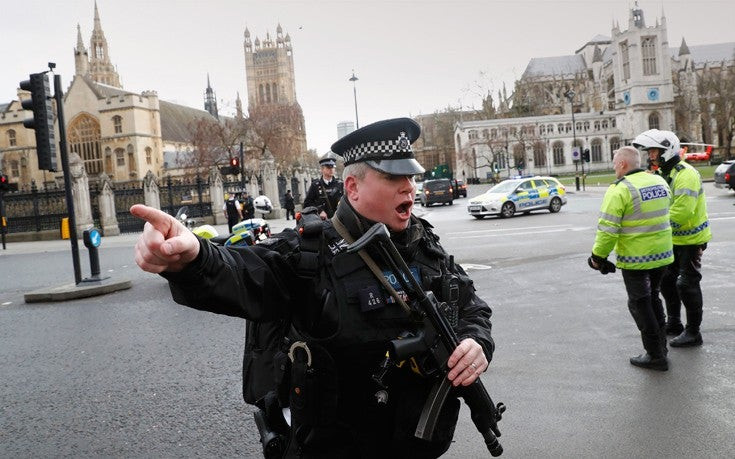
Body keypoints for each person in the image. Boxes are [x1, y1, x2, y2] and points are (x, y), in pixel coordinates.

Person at [130, 117, 494, 457]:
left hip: (414, 445)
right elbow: (245, 273)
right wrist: (193, 258)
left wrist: (475, 341)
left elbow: (471, 306)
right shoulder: (311, 253)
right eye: (392, 178)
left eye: (411, 178)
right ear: (352, 187)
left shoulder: (425, 245)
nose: (409, 187)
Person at [588, 146, 673, 371]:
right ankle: (661, 348)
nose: (615, 166)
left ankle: (655, 355)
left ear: (623, 164)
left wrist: (598, 257)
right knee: (654, 298)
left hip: (637, 259)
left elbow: (607, 229)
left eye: (615, 162)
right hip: (663, 255)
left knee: (640, 304)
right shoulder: (659, 182)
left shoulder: (620, 190)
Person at [633, 129, 712, 347]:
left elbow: (682, 213)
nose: (650, 156)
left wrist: (655, 227)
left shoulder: (685, 174)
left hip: (691, 239)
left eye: (654, 151)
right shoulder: (664, 174)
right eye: (649, 152)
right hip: (673, 240)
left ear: (667, 150)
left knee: (687, 284)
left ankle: (693, 332)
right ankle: (675, 322)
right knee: (668, 282)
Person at [303, 152, 343, 219]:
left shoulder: (340, 184)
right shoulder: (315, 185)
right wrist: (319, 210)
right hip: (322, 221)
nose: (331, 169)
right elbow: (307, 203)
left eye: (333, 167)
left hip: (338, 220)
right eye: (328, 167)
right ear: (322, 169)